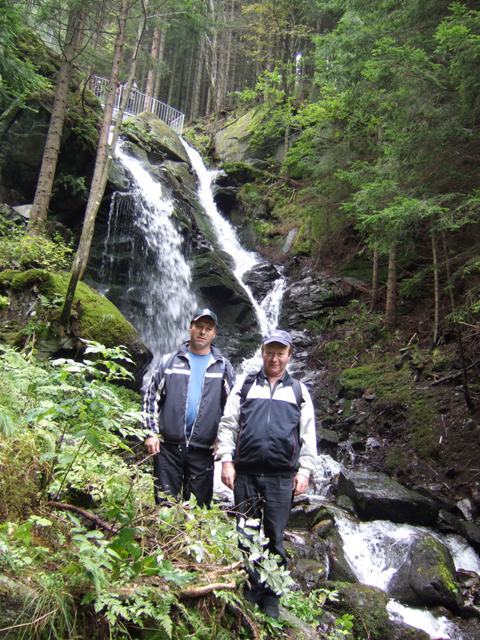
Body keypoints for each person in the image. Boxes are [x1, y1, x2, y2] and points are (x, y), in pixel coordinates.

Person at [216, 329, 317, 618]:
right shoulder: (245, 385)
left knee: (275, 535)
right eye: (270, 352)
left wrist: (305, 471)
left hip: (281, 476)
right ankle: (250, 586)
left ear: (289, 355)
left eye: (280, 353)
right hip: (246, 472)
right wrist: (226, 461)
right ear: (262, 352)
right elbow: (228, 424)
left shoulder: (298, 391)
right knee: (246, 533)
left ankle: (271, 594)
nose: (274, 358)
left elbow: (308, 435)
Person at [143, 308, 235, 507]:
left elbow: (232, 409)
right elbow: (151, 397)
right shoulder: (169, 361)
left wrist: (223, 441)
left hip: (204, 450)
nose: (203, 332)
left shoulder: (223, 367)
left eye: (208, 328)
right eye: (199, 326)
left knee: (198, 508)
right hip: (168, 447)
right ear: (190, 328)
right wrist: (150, 433)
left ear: (214, 333)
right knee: (165, 505)